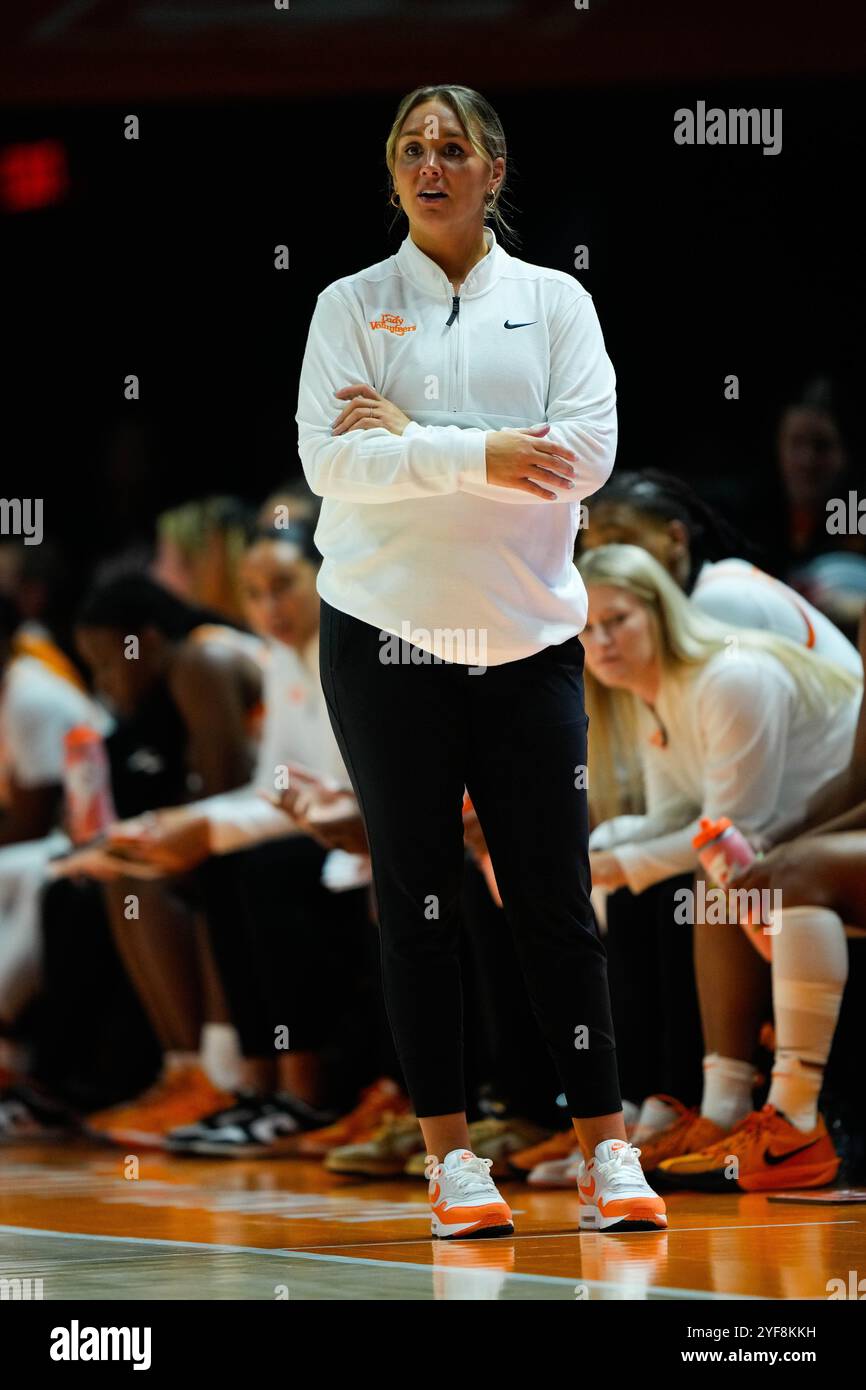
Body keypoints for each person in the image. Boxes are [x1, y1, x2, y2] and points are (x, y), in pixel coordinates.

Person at [295, 82, 667, 1237]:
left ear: (492, 171)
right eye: (410, 147)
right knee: (415, 896)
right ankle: (451, 1159)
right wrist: (484, 455)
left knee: (552, 897)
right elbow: (328, 465)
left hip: (526, 638)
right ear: (392, 170)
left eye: (452, 147)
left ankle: (605, 1148)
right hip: (383, 632)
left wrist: (411, 440)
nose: (429, 164)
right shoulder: (349, 305)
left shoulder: (555, 302)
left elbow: (583, 457)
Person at [577, 542, 862, 1190]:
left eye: (617, 620)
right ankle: (656, 1105)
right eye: (587, 629)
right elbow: (674, 815)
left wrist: (612, 864)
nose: (603, 642)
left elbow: (731, 828)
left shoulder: (730, 676)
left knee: (713, 877)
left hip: (824, 830)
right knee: (645, 879)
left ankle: (740, 1111)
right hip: (791, 834)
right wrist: (588, 855)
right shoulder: (650, 692)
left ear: (662, 611)